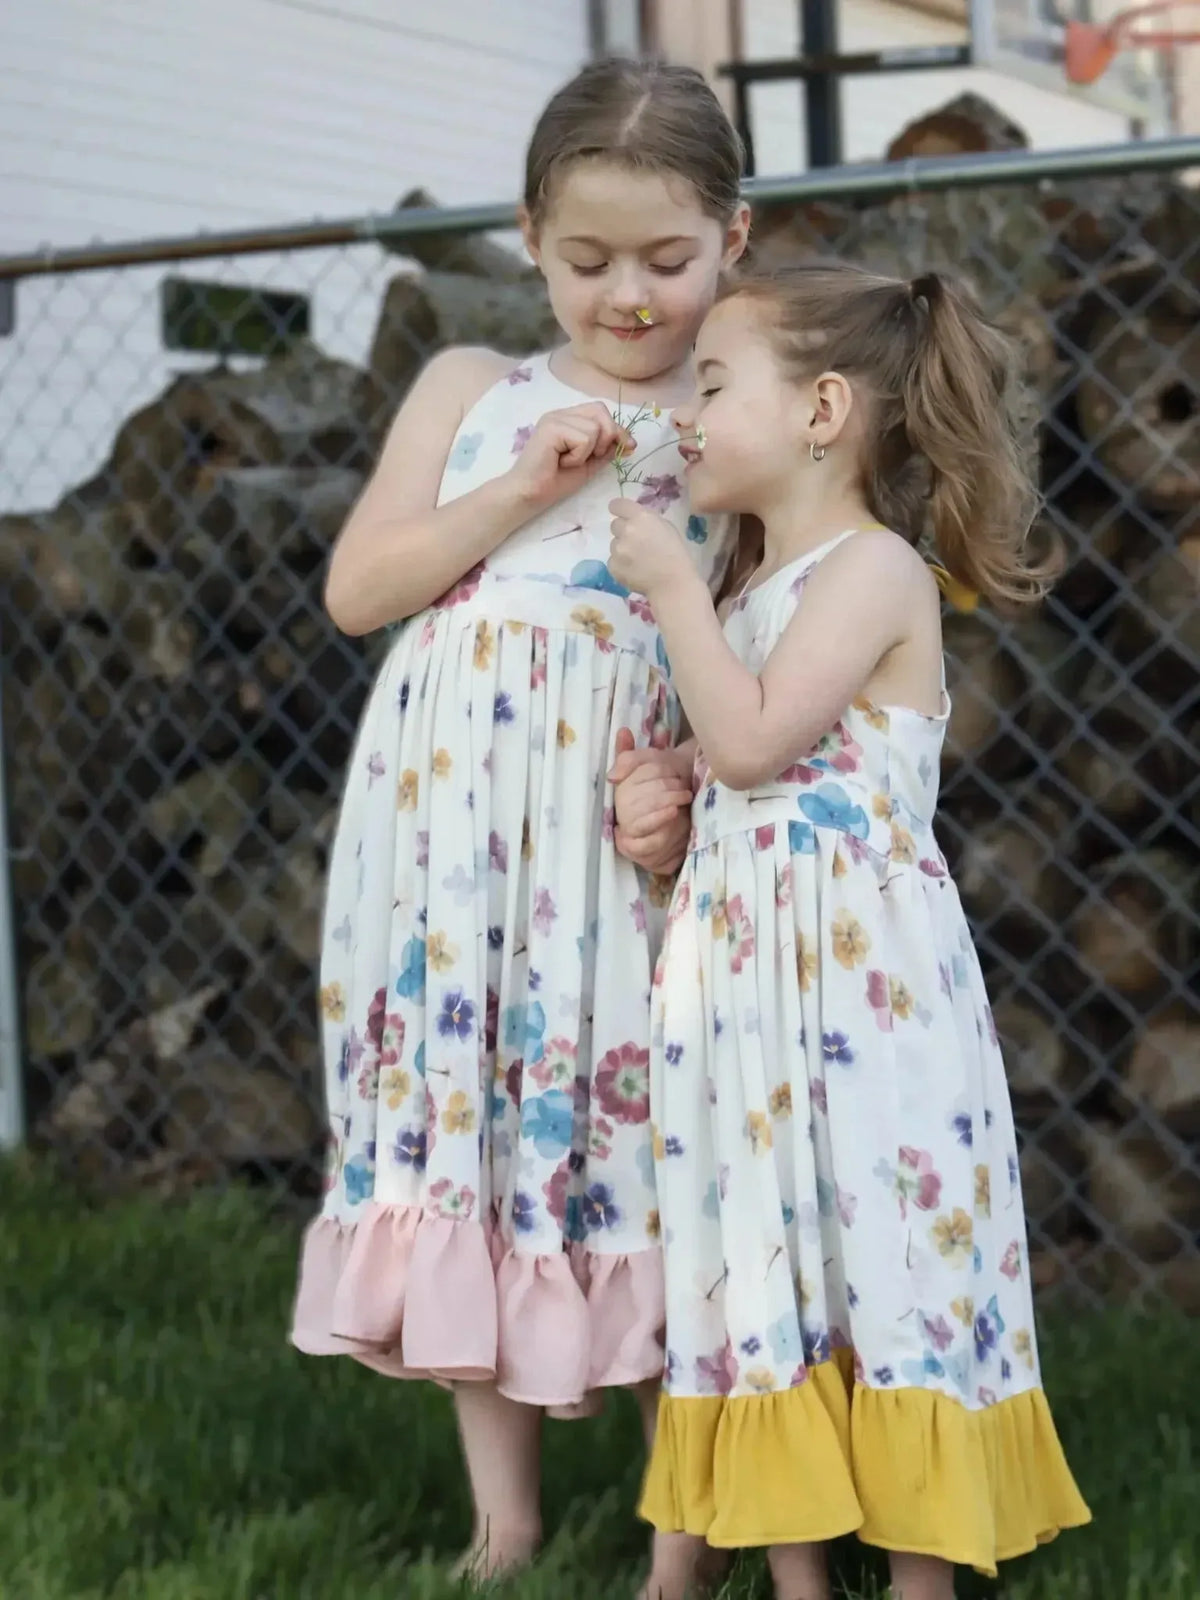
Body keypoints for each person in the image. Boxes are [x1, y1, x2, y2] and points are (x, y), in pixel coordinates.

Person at [289, 56, 749, 1584]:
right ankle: (509, 1522)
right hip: (447, 836)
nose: (627, 297)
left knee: (641, 1126)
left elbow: (761, 621)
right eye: (587, 259)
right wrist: (520, 493)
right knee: (477, 1121)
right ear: (531, 236)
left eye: (668, 261)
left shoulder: (736, 410)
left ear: (734, 243)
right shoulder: (473, 390)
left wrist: (681, 783)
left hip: (619, 826)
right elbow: (362, 593)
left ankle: (682, 1539)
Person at [606, 263, 1091, 1600]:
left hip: (859, 998)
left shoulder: (874, 571)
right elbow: (732, 765)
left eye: (711, 384)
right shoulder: (755, 576)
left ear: (823, 408)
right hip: (748, 986)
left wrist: (672, 600)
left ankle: (922, 1575)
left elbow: (761, 741)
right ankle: (792, 1569)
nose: (684, 415)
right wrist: (667, 805)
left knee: (886, 1245)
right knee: (766, 1248)